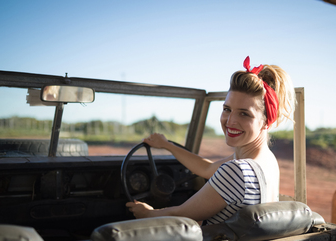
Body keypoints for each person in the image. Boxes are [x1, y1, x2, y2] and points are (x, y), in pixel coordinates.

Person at [126, 56, 295, 225]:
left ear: (266, 121)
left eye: (244, 113)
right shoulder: (265, 162)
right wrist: (167, 145)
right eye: (227, 109)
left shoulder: (238, 171)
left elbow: (181, 215)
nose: (230, 121)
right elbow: (207, 168)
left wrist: (147, 213)